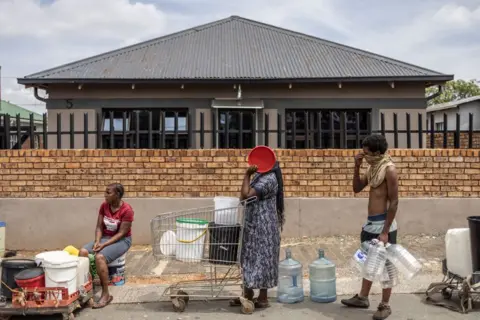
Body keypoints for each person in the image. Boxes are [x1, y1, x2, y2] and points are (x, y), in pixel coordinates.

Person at [341, 134, 399, 320]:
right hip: (370, 224)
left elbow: (395, 202)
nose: (364, 155)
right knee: (368, 263)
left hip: (384, 226)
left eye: (366, 153)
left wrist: (385, 231)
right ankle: (362, 298)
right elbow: (357, 188)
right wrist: (356, 167)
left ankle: (385, 305)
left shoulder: (389, 169)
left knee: (385, 266)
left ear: (377, 152)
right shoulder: (373, 169)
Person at [229, 159, 284, 310]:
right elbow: (243, 198)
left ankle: (262, 298)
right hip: (254, 226)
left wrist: (247, 174)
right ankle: (247, 294)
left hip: (263, 228)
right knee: (249, 258)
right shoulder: (259, 177)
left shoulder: (268, 179)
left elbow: (246, 195)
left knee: (262, 261)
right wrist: (249, 177)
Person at [79, 183, 134, 309]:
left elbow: (121, 233)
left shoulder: (127, 210)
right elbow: (99, 227)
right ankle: (87, 290)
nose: (105, 195)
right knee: (82, 252)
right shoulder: (104, 206)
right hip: (104, 238)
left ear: (117, 195)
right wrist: (97, 241)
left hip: (122, 240)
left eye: (108, 193)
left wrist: (104, 245)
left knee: (100, 257)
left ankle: (105, 294)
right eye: (105, 192)